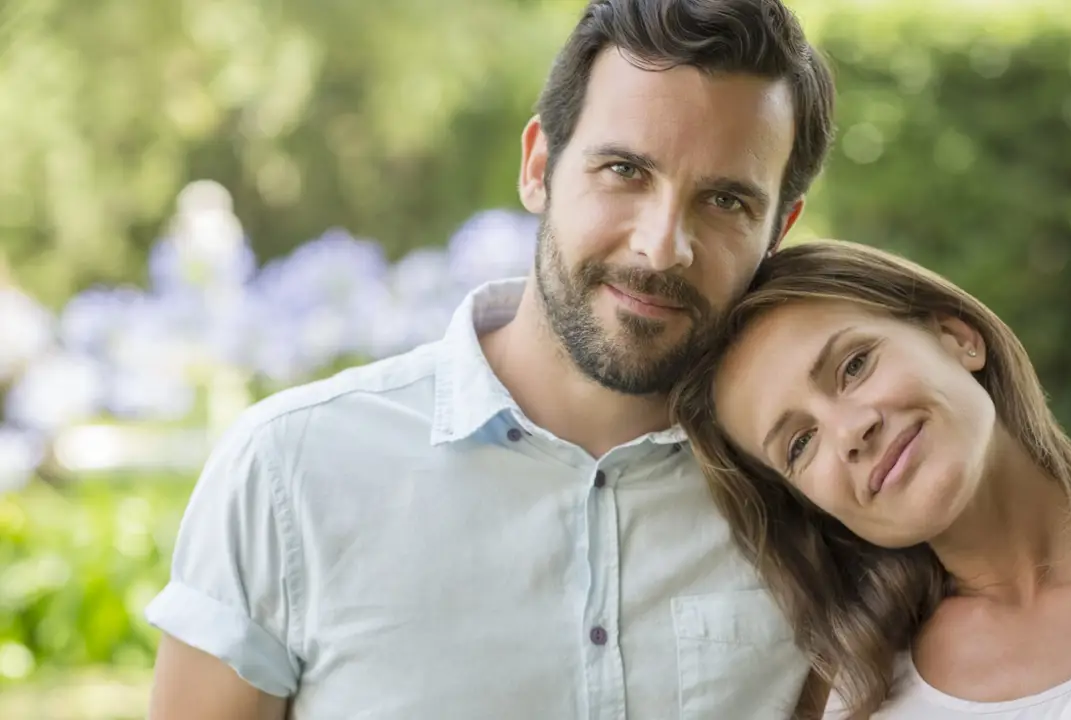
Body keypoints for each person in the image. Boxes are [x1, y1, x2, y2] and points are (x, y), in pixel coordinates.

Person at [143, 0, 837, 718]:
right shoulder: (288, 471)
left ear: (778, 228)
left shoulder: (814, 493)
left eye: (726, 200)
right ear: (539, 166)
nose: (662, 246)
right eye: (625, 170)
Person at [671, 240, 1071, 719]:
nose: (850, 432)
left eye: (854, 366)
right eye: (800, 443)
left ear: (957, 336)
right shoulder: (844, 693)